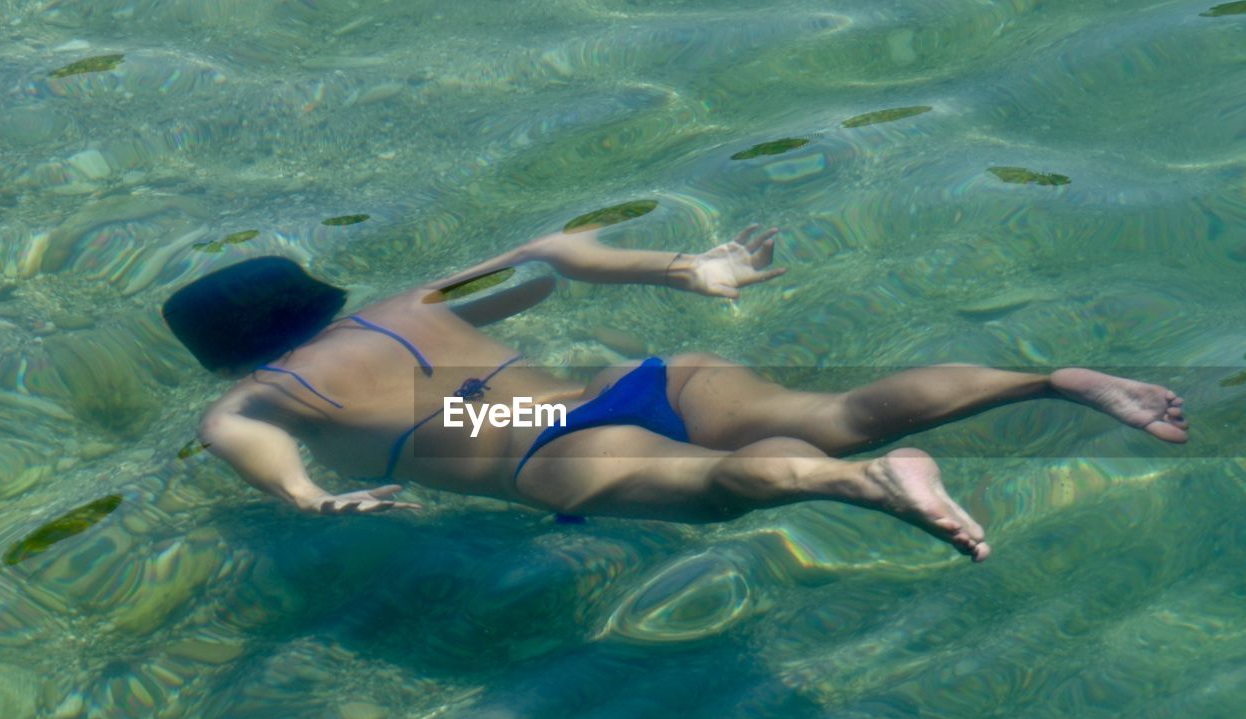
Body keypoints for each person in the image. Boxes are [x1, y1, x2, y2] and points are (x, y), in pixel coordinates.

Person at [164, 226, 1188, 563]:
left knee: (715, 487)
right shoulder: (409, 302)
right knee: (832, 406)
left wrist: (307, 499)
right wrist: (680, 269)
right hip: (623, 380)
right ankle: (1050, 379)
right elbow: (544, 256)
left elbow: (239, 437)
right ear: (314, 291)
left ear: (219, 352)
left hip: (514, 433)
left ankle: (865, 485)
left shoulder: (261, 392)